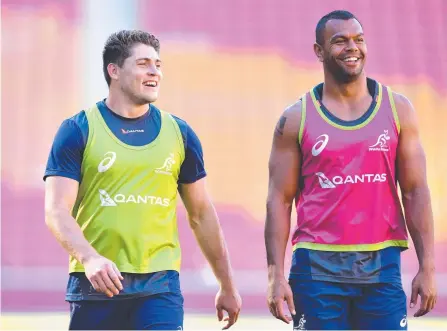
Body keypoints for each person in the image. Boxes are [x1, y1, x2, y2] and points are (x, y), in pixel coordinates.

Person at [44, 29, 241, 330]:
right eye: (143, 63)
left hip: (159, 287)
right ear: (114, 70)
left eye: (158, 65)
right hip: (96, 284)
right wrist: (90, 258)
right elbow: (57, 209)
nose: (154, 72)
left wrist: (226, 284)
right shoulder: (77, 129)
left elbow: (201, 213)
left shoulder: (180, 134)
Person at [264, 10, 437, 330]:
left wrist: (427, 267)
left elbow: (415, 191)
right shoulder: (295, 118)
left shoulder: (398, 109)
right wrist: (275, 274)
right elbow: (279, 199)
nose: (352, 47)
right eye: (340, 41)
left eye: (358, 39)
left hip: (381, 267)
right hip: (316, 270)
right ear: (319, 51)